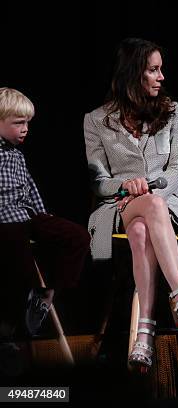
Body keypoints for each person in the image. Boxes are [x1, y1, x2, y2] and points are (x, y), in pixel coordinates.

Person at [84, 38, 178, 370]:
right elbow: (98, 182)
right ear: (133, 74)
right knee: (138, 218)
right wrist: (125, 185)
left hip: (167, 203)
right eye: (153, 70)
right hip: (118, 206)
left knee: (140, 232)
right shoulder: (95, 120)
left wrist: (151, 198)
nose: (161, 76)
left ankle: (144, 334)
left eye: (160, 69)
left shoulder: (173, 112)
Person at [0, 87, 90, 338]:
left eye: (27, 123)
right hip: (5, 219)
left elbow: (30, 187)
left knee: (78, 237)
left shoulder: (17, 156)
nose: (25, 128)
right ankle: (14, 320)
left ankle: (47, 293)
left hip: (27, 216)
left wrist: (44, 216)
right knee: (19, 258)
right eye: (18, 123)